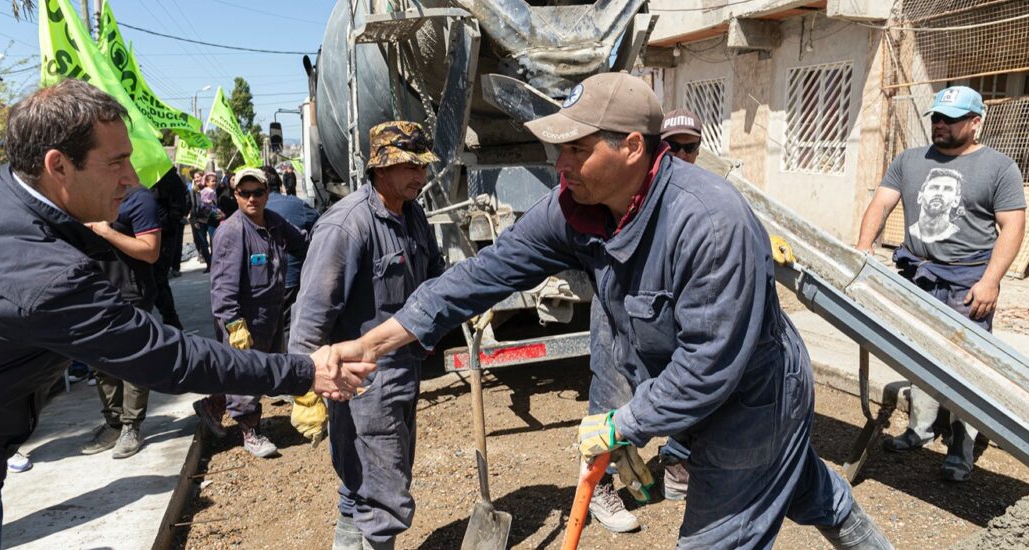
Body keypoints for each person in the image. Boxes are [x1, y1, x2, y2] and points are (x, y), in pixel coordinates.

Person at [332, 73, 892, 549]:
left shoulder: (710, 224)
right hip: (699, 393)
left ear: (631, 147)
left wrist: (623, 424)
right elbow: (483, 274)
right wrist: (373, 344)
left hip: (754, 400)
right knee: (808, 491)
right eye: (561, 148)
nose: (560, 163)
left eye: (577, 148)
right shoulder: (575, 207)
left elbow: (708, 367)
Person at [0, 80, 372, 549]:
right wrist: (306, 370)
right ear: (57, 165)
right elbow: (167, 357)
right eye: (116, 161)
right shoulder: (44, 270)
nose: (131, 176)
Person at [289, 121, 445, 550]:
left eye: (422, 164)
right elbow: (312, 311)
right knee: (384, 498)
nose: (420, 174)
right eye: (409, 165)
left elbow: (432, 280)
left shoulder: (413, 215)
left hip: (404, 370)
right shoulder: (347, 225)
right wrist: (302, 382)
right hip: (364, 383)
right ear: (380, 168)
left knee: (365, 480)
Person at [856, 85, 1026, 482]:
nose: (940, 124)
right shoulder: (910, 160)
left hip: (969, 279)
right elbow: (881, 203)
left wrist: (991, 281)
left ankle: (961, 449)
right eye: (936, 117)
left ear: (976, 122)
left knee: (965, 366)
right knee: (920, 356)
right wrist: (864, 249)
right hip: (919, 273)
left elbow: (1012, 227)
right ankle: (921, 428)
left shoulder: (998, 167)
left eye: (950, 119)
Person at [582, 107, 705, 533]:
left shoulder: (696, 194)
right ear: (656, 149)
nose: (684, 154)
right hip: (620, 304)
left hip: (669, 313)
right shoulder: (630, 192)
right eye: (676, 146)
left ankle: (676, 463)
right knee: (614, 390)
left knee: (683, 385)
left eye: (692, 146)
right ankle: (599, 484)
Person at [193, 168, 308, 458]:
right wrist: (233, 323)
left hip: (269, 315)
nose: (252, 198)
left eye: (258, 192)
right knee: (246, 376)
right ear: (236, 195)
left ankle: (214, 404)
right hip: (243, 319)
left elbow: (302, 243)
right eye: (245, 193)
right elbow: (221, 285)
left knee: (255, 372)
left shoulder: (274, 223)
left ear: (267, 193)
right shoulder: (232, 232)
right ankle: (249, 430)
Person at [79, 185, 164, 459]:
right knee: (102, 365)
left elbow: (150, 251)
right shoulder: (89, 195)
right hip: (93, 292)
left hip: (130, 293)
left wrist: (107, 231)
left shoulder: (139, 199)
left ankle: (131, 425)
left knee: (133, 363)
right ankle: (114, 422)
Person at [263, 165, 320, 351]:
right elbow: (320, 224)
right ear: (279, 184)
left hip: (262, 282)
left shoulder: (249, 211)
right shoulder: (296, 204)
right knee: (289, 325)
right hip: (292, 278)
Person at [151, 168, 190, 323]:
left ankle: (171, 319)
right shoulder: (135, 175)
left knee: (158, 279)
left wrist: (167, 223)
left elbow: (182, 204)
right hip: (141, 233)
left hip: (163, 234)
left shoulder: (169, 177)